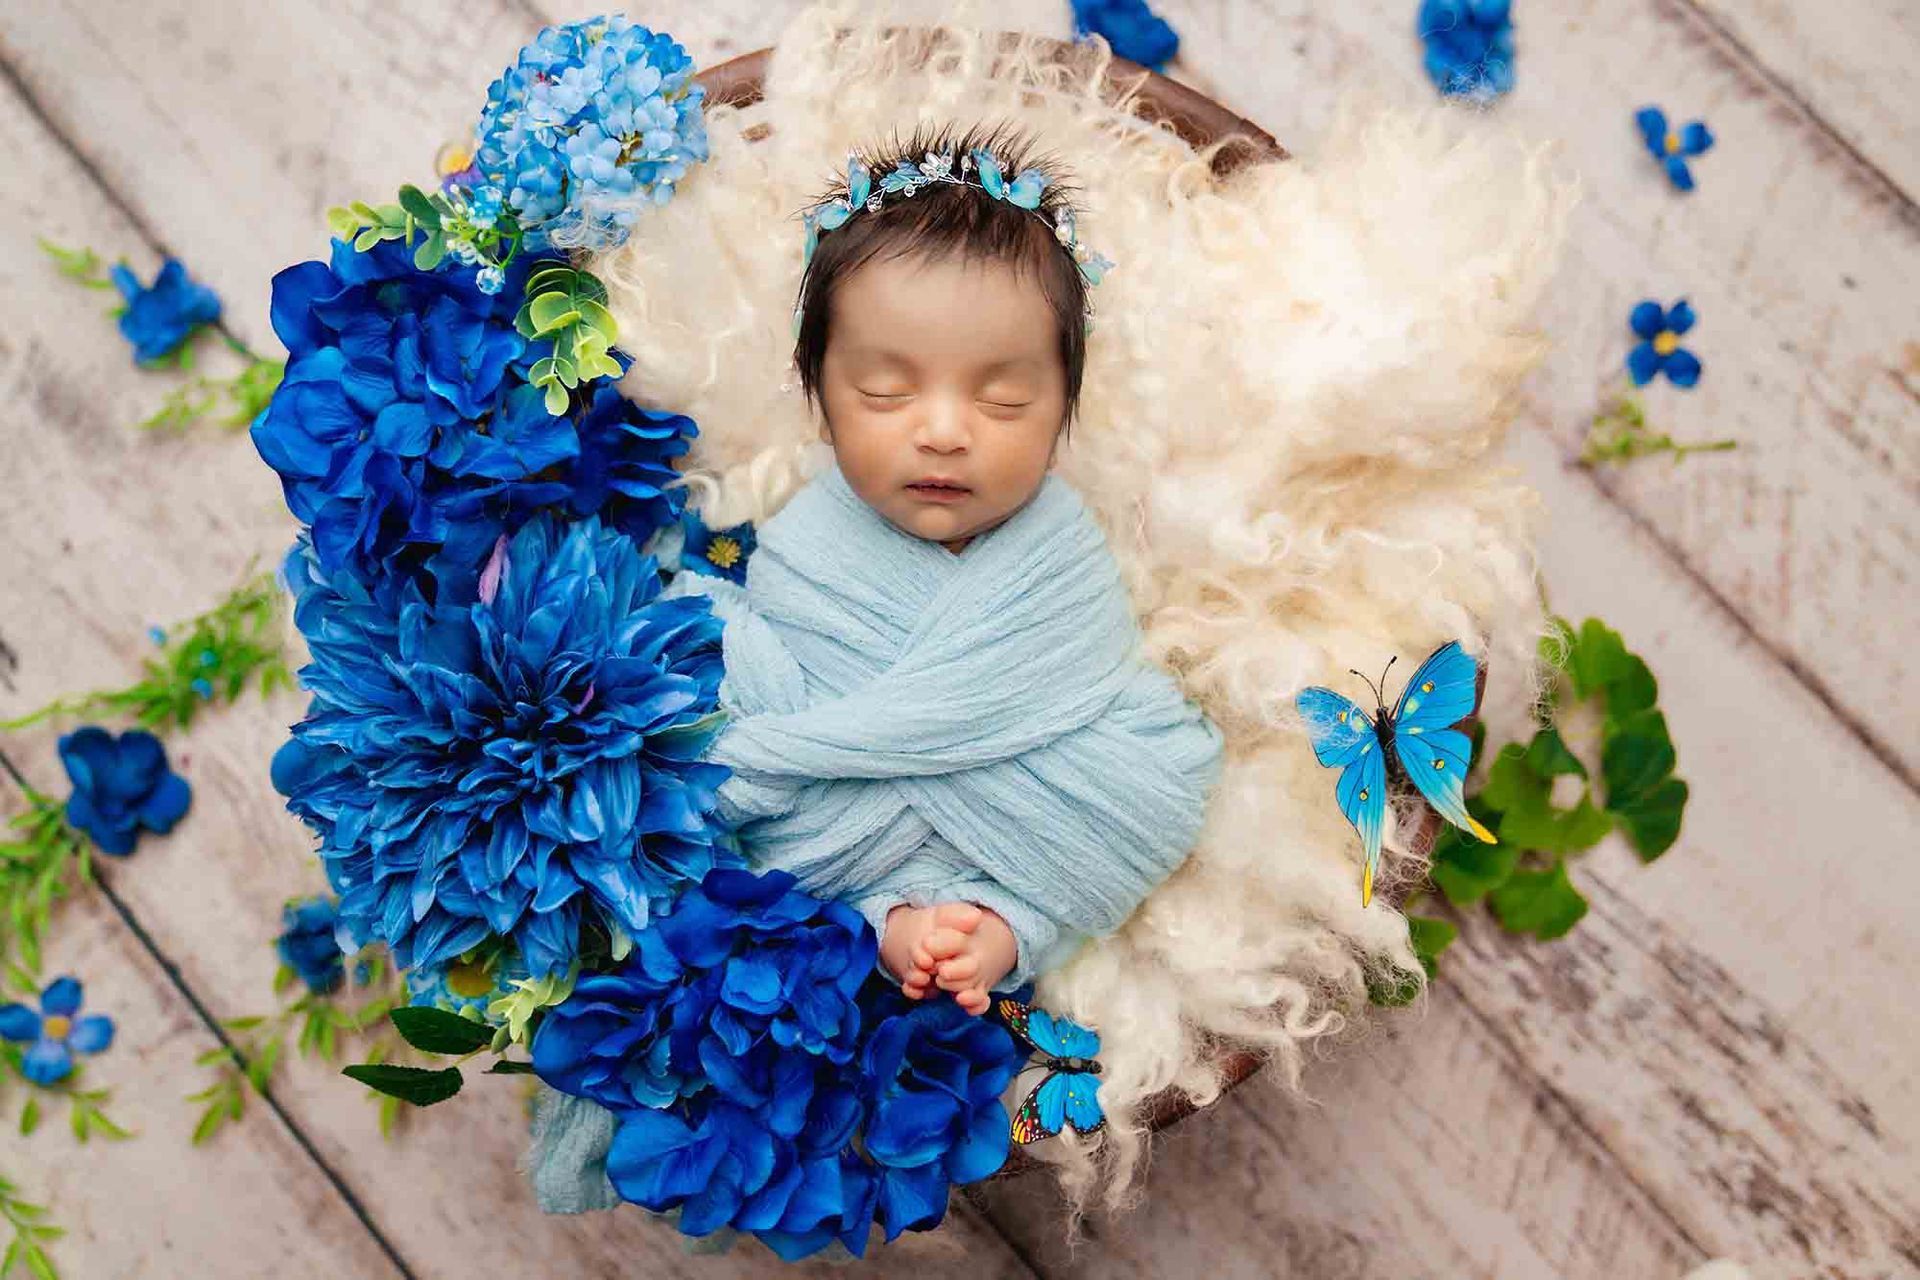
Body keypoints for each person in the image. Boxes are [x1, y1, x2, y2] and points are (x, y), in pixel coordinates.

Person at [661, 122, 1222, 1014]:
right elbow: (755, 724)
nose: (945, 430)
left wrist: (1001, 893)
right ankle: (895, 924)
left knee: (1153, 773)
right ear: (820, 397)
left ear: (1064, 409)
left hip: (1030, 849)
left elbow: (1143, 763)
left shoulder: (1063, 556)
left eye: (1003, 398)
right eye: (885, 391)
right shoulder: (805, 546)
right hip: (846, 851)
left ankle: (1002, 929)